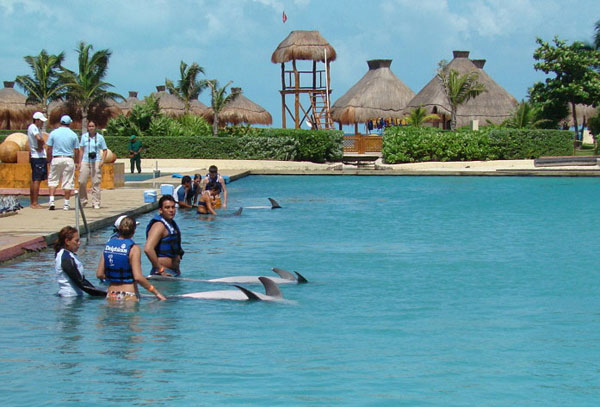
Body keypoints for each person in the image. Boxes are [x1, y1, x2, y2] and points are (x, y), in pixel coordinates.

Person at [97, 216, 165, 301]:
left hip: (111, 294)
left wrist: (115, 277)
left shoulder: (108, 246)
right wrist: (156, 292)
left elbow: (99, 274)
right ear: (134, 231)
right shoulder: (134, 248)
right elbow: (138, 277)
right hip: (128, 294)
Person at [55, 226, 106, 297]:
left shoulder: (68, 255)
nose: (79, 243)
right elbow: (81, 283)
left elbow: (82, 281)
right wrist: (104, 295)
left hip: (72, 296)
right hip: (70, 297)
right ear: (67, 241)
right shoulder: (66, 258)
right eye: (76, 241)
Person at [144, 195, 184, 277]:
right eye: (167, 207)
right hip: (163, 273)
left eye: (173, 207)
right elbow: (148, 249)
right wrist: (160, 269)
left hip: (172, 272)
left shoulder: (171, 224)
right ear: (160, 210)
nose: (171, 210)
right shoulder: (159, 225)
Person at [46, 115, 80, 211]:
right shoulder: (73, 134)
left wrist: (48, 159)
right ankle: (66, 204)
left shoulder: (53, 133)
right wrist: (77, 161)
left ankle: (51, 201)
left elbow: (49, 148)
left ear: (60, 122)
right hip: (68, 159)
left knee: (53, 180)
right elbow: (76, 150)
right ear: (69, 123)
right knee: (68, 181)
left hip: (56, 158)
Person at [78, 121, 107, 209]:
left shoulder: (100, 137)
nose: (91, 128)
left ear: (95, 127)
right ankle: (83, 200)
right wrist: (79, 162)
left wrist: (102, 161)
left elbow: (105, 150)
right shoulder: (84, 137)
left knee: (96, 182)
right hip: (85, 160)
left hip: (96, 160)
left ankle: (96, 202)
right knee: (82, 181)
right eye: (89, 126)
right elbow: (81, 149)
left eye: (92, 126)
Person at [27, 112, 48, 209]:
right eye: (41, 121)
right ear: (37, 120)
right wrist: (41, 145)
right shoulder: (33, 127)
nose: (42, 123)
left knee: (35, 179)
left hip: (36, 156)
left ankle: (33, 202)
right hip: (37, 157)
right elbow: (38, 138)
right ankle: (35, 203)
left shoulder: (34, 128)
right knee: (37, 180)